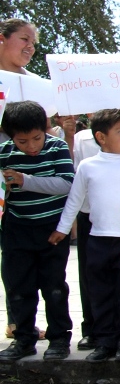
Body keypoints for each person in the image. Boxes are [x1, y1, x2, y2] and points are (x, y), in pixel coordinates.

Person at [55, 109, 120, 362]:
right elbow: (74, 200)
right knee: (100, 292)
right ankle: (105, 340)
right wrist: (62, 229)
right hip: (98, 239)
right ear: (101, 137)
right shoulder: (87, 166)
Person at [0, 101, 75, 361]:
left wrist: (25, 180)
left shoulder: (57, 147)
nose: (31, 147)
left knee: (54, 286)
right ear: (10, 137)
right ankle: (23, 339)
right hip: (16, 228)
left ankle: (59, 338)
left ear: (45, 130)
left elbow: (66, 184)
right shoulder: (3, 152)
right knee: (18, 286)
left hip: (51, 230)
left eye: (36, 138)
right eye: (22, 141)